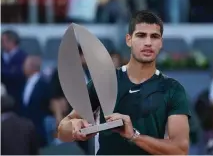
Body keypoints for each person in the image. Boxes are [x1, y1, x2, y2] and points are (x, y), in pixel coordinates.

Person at [57, 10, 191, 155]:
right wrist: (74, 126)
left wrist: (134, 136)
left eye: (154, 37)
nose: (148, 42)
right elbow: (62, 132)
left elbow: (180, 150)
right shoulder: (105, 81)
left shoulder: (172, 89)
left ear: (161, 43)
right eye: (141, 35)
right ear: (129, 40)